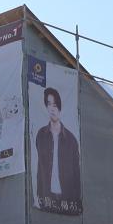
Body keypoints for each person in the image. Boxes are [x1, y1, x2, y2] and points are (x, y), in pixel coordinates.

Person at [34, 84, 81, 213]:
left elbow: (76, 175)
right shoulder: (41, 134)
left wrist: (76, 202)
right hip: (46, 197)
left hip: (66, 198)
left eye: (55, 105)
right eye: (49, 104)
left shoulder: (71, 140)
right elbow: (38, 168)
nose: (52, 109)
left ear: (60, 107)